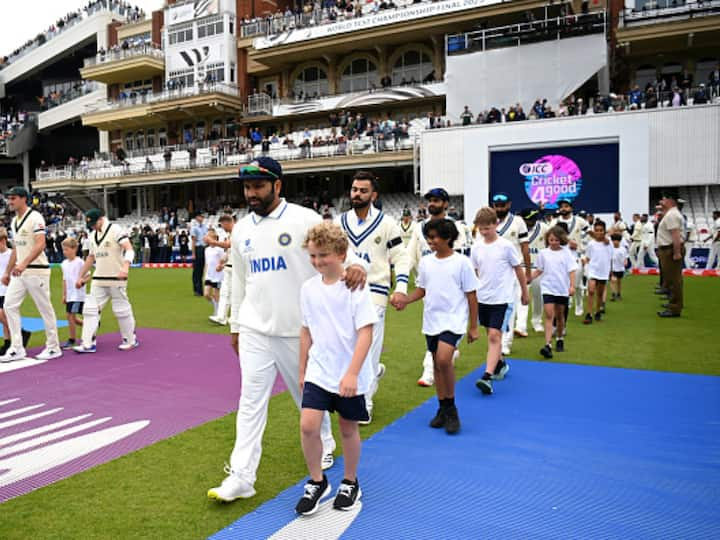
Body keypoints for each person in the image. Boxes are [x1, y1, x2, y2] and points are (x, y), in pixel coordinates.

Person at [207, 157, 367, 503]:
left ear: (277, 185)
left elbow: (342, 252)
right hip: (254, 329)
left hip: (300, 331)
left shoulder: (303, 219)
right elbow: (237, 279)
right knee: (250, 401)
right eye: (247, 187)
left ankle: (324, 442)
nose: (251, 193)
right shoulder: (242, 230)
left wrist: (356, 267)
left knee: (305, 397)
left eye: (259, 186)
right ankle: (241, 476)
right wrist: (235, 325)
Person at [294, 222, 377, 515]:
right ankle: (317, 481)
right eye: (313, 256)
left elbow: (366, 332)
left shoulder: (355, 285)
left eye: (323, 255)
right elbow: (306, 331)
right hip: (319, 370)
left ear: (341, 253)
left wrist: (353, 372)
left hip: (348, 374)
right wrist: (302, 369)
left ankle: (350, 481)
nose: (317, 262)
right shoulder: (307, 289)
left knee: (347, 428)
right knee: (308, 426)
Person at [393, 219, 479, 434]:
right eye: (428, 237)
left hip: (454, 320)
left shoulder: (462, 263)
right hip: (432, 320)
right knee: (436, 364)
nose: (430, 241)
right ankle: (442, 408)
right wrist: (405, 300)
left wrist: (473, 327)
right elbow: (422, 289)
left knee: (443, 359)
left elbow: (472, 295)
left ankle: (451, 409)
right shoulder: (426, 262)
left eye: (434, 237)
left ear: (448, 238)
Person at [337, 171, 410, 423]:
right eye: (354, 189)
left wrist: (400, 288)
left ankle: (364, 401)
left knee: (368, 350)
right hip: (344, 294)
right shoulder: (339, 223)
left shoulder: (387, 223)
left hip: (375, 294)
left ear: (373, 195)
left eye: (363, 191)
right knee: (349, 350)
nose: (357, 194)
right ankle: (373, 373)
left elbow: (401, 257)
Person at [407, 187, 470, 387]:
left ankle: (429, 371)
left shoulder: (457, 227)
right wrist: (401, 286)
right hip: (428, 286)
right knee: (434, 331)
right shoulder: (419, 228)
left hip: (452, 291)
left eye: (436, 200)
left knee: (445, 335)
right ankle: (447, 353)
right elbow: (410, 256)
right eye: (429, 200)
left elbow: (461, 257)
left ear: (445, 204)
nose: (432, 204)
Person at [470, 207, 529, 395]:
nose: (484, 232)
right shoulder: (476, 247)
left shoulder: (506, 246)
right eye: (481, 229)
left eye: (487, 228)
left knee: (495, 336)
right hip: (483, 298)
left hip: (502, 299)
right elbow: (475, 272)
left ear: (496, 224)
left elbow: (518, 269)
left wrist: (524, 292)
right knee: (491, 335)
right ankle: (500, 363)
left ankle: (487, 376)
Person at [0, 187, 61, 363]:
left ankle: (53, 347)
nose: (9, 202)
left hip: (36, 270)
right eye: (8, 198)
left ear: (23, 199)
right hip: (20, 272)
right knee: (10, 306)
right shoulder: (14, 221)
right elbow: (16, 249)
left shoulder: (35, 217)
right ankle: (17, 347)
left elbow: (40, 244)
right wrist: (7, 271)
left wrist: (24, 263)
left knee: (44, 308)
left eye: (13, 198)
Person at [73, 208, 138, 353]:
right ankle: (87, 343)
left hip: (116, 277)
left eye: (94, 223)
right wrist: (80, 276)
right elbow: (91, 257)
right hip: (98, 278)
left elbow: (129, 249)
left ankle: (130, 339)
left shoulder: (115, 229)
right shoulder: (92, 235)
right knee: (90, 310)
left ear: (101, 219)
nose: (93, 227)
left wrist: (126, 267)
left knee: (121, 310)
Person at [490, 192, 531, 354]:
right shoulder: (489, 222)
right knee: (494, 306)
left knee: (510, 305)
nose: (499, 208)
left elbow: (525, 248)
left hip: (514, 270)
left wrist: (527, 272)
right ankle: (496, 338)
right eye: (497, 205)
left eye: (503, 205)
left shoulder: (518, 221)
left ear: (509, 205)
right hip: (493, 272)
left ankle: (506, 342)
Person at [532, 226, 577, 358]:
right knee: (549, 314)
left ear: (561, 240)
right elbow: (539, 269)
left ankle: (559, 338)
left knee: (560, 315)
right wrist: (529, 278)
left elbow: (572, 270)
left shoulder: (566, 253)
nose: (553, 242)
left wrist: (572, 286)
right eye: (551, 240)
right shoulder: (543, 253)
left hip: (562, 288)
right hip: (548, 288)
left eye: (556, 240)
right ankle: (547, 344)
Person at [552, 199, 589, 318]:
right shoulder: (555, 222)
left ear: (571, 208)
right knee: (563, 282)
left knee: (577, 284)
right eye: (562, 207)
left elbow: (588, 236)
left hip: (576, 255)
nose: (564, 209)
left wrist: (584, 253)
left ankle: (579, 304)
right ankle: (567, 302)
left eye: (566, 206)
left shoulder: (579, 221)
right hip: (560, 255)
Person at [0, 228, 30, 356]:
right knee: (3, 317)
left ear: (4, 240)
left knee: (3, 314)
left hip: (8, 288)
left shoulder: (12, 254)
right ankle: (8, 342)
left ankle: (20, 333)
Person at [656, 194, 685, 318]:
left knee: (674, 280)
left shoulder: (672, 215)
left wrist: (677, 252)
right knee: (671, 278)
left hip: (670, 249)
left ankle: (675, 308)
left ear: (670, 200)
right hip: (668, 249)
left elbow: (675, 235)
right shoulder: (671, 213)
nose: (661, 201)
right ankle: (673, 303)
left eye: (664, 199)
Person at [520, 207, 547, 334]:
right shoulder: (518, 228)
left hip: (537, 267)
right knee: (522, 296)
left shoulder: (543, 227)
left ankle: (537, 321)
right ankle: (521, 325)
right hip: (521, 266)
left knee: (538, 296)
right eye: (528, 219)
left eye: (532, 219)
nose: (530, 222)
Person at [582, 220, 613, 324]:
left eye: (601, 230)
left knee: (599, 294)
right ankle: (589, 314)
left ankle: (598, 311)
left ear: (604, 231)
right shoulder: (591, 244)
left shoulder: (608, 243)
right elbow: (588, 257)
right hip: (593, 269)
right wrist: (583, 263)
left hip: (603, 270)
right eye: (596, 230)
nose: (599, 232)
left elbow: (610, 257)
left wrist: (610, 271)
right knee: (591, 291)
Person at [208, 214, 234, 325]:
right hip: (228, 267)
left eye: (223, 225)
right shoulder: (230, 234)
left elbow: (228, 245)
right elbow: (228, 252)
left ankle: (233, 317)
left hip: (236, 269)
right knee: (225, 293)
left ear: (227, 222)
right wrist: (221, 263)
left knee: (234, 294)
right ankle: (221, 317)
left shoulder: (237, 232)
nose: (223, 228)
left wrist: (214, 242)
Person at [60, 238, 86, 350]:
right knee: (72, 318)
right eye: (63, 250)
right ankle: (90, 327)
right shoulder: (64, 264)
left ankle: (72, 339)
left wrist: (82, 281)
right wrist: (64, 295)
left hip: (78, 294)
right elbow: (65, 280)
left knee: (70, 315)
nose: (64, 252)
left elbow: (88, 275)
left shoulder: (80, 262)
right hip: (70, 295)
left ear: (74, 249)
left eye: (67, 249)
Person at [203, 230, 224, 317]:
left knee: (216, 295)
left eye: (210, 236)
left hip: (218, 275)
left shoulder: (219, 249)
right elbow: (207, 263)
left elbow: (223, 261)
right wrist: (205, 274)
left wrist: (220, 267)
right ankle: (216, 307)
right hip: (209, 275)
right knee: (206, 294)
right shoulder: (206, 250)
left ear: (214, 238)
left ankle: (217, 312)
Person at [190, 213, 208, 296]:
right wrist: (193, 253)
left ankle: (202, 289)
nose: (202, 218)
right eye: (201, 216)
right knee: (197, 270)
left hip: (204, 248)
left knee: (203, 269)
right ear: (197, 217)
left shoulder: (205, 227)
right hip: (198, 248)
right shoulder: (194, 228)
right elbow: (193, 241)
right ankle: (197, 290)